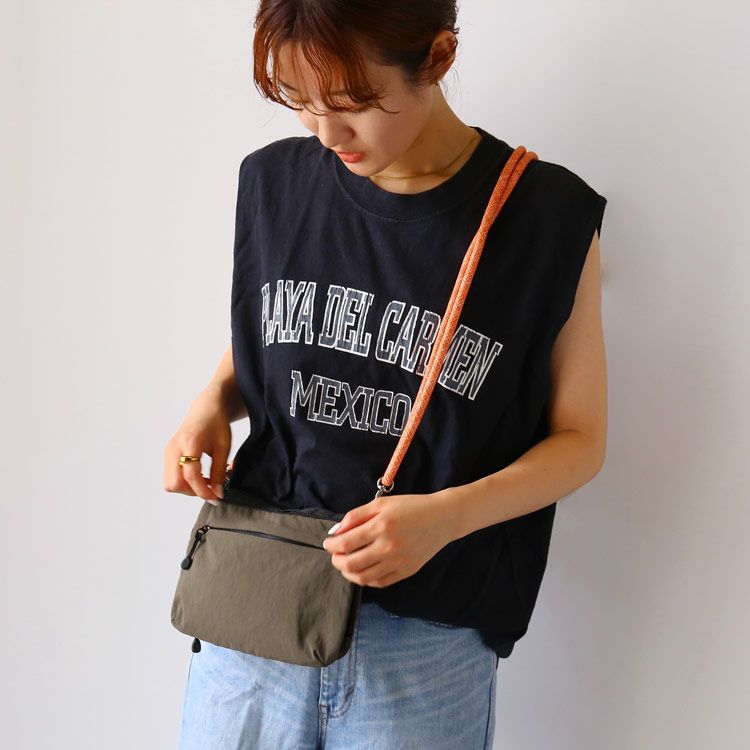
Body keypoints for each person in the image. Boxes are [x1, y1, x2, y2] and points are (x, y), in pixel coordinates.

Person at [164, 1, 608, 748]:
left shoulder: (546, 217)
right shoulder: (275, 182)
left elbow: (580, 440)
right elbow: (283, 328)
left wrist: (445, 517)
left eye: (351, 103)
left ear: (436, 57)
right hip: (254, 604)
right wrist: (211, 402)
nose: (325, 133)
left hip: (423, 641)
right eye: (298, 100)